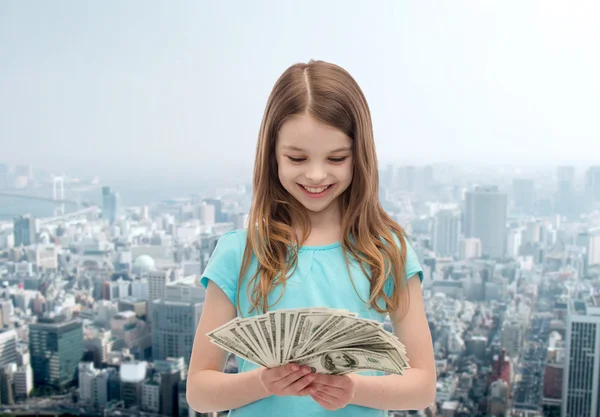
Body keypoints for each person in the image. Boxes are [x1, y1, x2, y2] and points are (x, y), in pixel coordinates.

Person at [187, 59, 436, 416]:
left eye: (336, 158)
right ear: (272, 155)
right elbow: (199, 391)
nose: (316, 174)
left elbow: (422, 385)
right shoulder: (238, 253)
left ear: (359, 156)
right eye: (297, 157)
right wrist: (261, 382)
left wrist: (353, 389)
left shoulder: (387, 252)